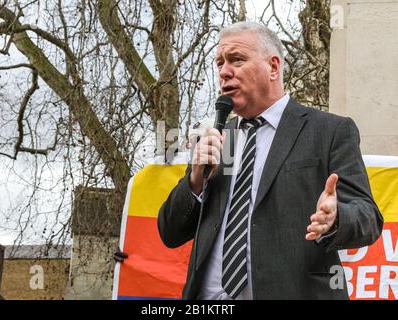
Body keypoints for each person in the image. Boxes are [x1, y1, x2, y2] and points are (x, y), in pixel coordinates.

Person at [157, 21, 383, 300]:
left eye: (236, 60)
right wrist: (194, 181)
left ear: (273, 67)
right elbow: (170, 233)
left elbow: (369, 218)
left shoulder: (328, 131)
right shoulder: (217, 139)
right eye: (219, 63)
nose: (224, 71)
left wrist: (336, 218)